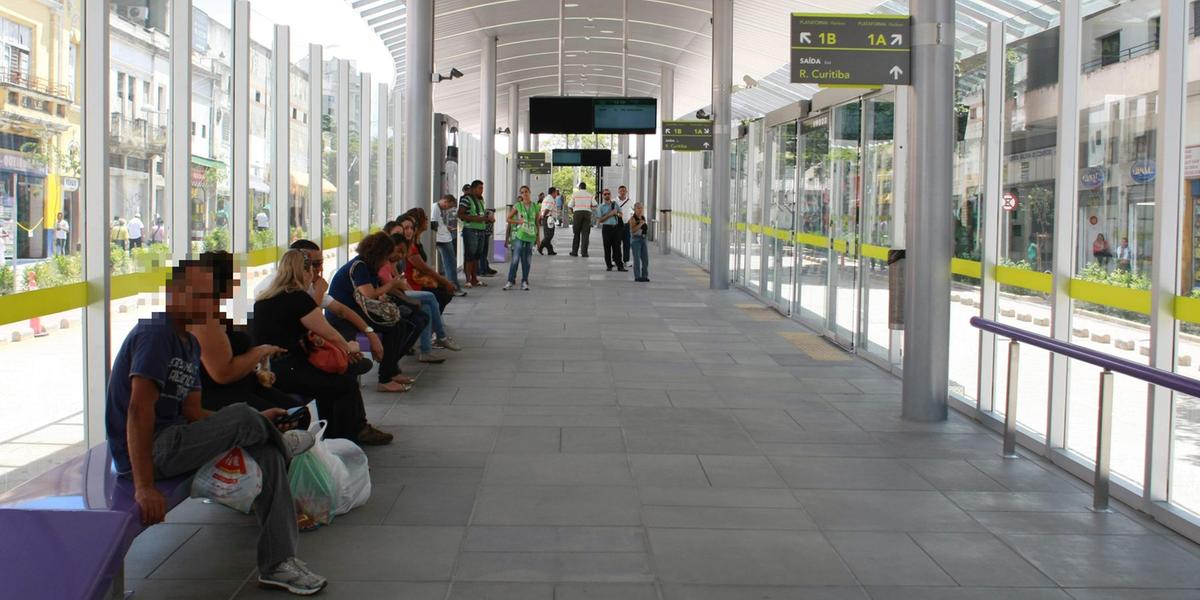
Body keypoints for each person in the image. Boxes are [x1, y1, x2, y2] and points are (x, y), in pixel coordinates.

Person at [106, 253, 328, 595]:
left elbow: (195, 413)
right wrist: (144, 486)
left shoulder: (189, 344)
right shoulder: (156, 334)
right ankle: (283, 441)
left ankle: (277, 563)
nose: (204, 304)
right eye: (195, 295)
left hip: (180, 439)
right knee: (243, 415)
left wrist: (255, 424)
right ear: (172, 294)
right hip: (150, 452)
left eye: (210, 296)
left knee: (266, 453)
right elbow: (137, 412)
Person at [254, 249, 392, 444]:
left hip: (270, 368)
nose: (316, 272)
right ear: (305, 271)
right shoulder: (297, 298)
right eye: (313, 267)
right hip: (288, 368)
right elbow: (330, 333)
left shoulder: (264, 298)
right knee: (345, 385)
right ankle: (344, 441)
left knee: (334, 381)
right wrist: (349, 348)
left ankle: (335, 439)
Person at [188, 252, 303, 418]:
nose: (236, 282)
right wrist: (260, 352)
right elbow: (223, 373)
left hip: (244, 387)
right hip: (225, 398)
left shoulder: (210, 313)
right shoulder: (203, 320)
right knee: (292, 416)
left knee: (297, 412)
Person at [254, 240, 388, 368]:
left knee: (348, 357)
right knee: (347, 365)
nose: (321, 269)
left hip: (294, 352)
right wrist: (347, 348)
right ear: (299, 263)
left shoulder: (303, 287)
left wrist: (369, 332)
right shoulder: (274, 289)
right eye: (316, 264)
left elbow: (341, 310)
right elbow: (313, 319)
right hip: (286, 360)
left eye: (321, 263)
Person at [327, 232, 439, 376]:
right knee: (396, 327)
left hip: (356, 310)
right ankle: (386, 375)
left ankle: (391, 369)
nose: (388, 260)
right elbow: (370, 294)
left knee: (411, 322)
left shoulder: (368, 266)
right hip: (345, 315)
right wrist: (394, 283)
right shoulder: (360, 266)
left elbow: (375, 292)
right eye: (387, 256)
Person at [382, 232, 457, 359]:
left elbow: (398, 282)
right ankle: (441, 335)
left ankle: (426, 351)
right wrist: (405, 292)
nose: (400, 255)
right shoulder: (383, 263)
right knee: (431, 297)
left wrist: (401, 286)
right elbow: (391, 286)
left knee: (427, 307)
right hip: (396, 296)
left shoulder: (393, 261)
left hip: (402, 292)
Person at [398, 209, 457, 314]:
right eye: (424, 218)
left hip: (419, 280)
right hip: (414, 283)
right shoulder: (411, 247)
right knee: (443, 293)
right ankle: (436, 323)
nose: (427, 219)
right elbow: (425, 269)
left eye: (411, 227)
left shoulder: (415, 241)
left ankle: (435, 321)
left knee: (444, 291)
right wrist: (445, 282)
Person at [458, 180, 493, 288]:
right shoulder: (466, 199)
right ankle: (468, 280)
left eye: (482, 188)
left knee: (477, 255)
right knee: (470, 255)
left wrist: (487, 218)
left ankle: (474, 278)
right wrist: (478, 219)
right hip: (471, 230)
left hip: (481, 229)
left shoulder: (480, 200)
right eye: (479, 188)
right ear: (473, 189)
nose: (481, 190)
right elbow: (461, 214)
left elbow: (481, 214)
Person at [504, 185, 539, 291]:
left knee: (527, 260)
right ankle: (510, 281)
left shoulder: (535, 206)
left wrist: (538, 239)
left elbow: (537, 223)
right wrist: (518, 221)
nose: (524, 194)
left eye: (526, 191)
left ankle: (524, 281)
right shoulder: (518, 205)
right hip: (520, 235)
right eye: (522, 192)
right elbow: (508, 219)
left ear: (530, 192)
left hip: (531, 236)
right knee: (515, 258)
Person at [434, 194, 467, 296]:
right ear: (445, 201)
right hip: (442, 239)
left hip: (443, 237)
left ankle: (452, 287)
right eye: (448, 206)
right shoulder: (435, 209)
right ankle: (453, 288)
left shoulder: (438, 209)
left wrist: (444, 227)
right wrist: (443, 229)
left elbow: (437, 224)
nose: (448, 208)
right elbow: (433, 225)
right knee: (450, 264)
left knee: (451, 263)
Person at [596, 189, 625, 272]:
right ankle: (609, 265)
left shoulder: (615, 204)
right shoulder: (600, 207)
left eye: (608, 194)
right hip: (606, 228)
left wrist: (616, 213)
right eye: (605, 194)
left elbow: (621, 214)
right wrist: (609, 214)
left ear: (610, 195)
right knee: (607, 248)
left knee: (617, 248)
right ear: (603, 196)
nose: (607, 195)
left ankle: (620, 265)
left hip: (616, 228)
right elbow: (599, 220)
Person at [569, 182, 594, 257]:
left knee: (576, 233)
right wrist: (589, 208)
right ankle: (584, 253)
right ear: (585, 187)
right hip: (587, 213)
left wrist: (573, 212)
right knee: (585, 234)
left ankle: (574, 252)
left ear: (579, 187)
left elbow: (570, 205)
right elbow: (595, 204)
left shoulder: (575, 194)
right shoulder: (590, 195)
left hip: (577, 214)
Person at [629, 202, 650, 282]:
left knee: (645, 259)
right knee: (637, 259)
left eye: (641, 208)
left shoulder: (643, 217)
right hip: (636, 240)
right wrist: (640, 224)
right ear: (635, 209)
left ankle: (645, 275)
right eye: (638, 208)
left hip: (643, 239)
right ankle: (637, 276)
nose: (640, 210)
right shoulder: (632, 219)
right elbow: (632, 230)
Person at [538, 187, 559, 255]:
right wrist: (543, 216)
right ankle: (540, 247)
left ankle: (550, 250)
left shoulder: (547, 198)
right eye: (556, 192)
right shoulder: (551, 199)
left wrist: (542, 217)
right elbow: (547, 209)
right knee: (549, 235)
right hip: (548, 218)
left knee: (547, 234)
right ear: (553, 192)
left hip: (546, 218)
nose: (556, 194)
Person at [616, 186, 634, 265]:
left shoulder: (629, 201)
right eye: (621, 191)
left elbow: (633, 211)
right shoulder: (614, 201)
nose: (622, 192)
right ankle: (616, 259)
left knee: (627, 243)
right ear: (618, 191)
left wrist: (631, 219)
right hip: (617, 225)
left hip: (626, 224)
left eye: (624, 191)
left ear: (626, 192)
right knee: (616, 243)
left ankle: (626, 260)